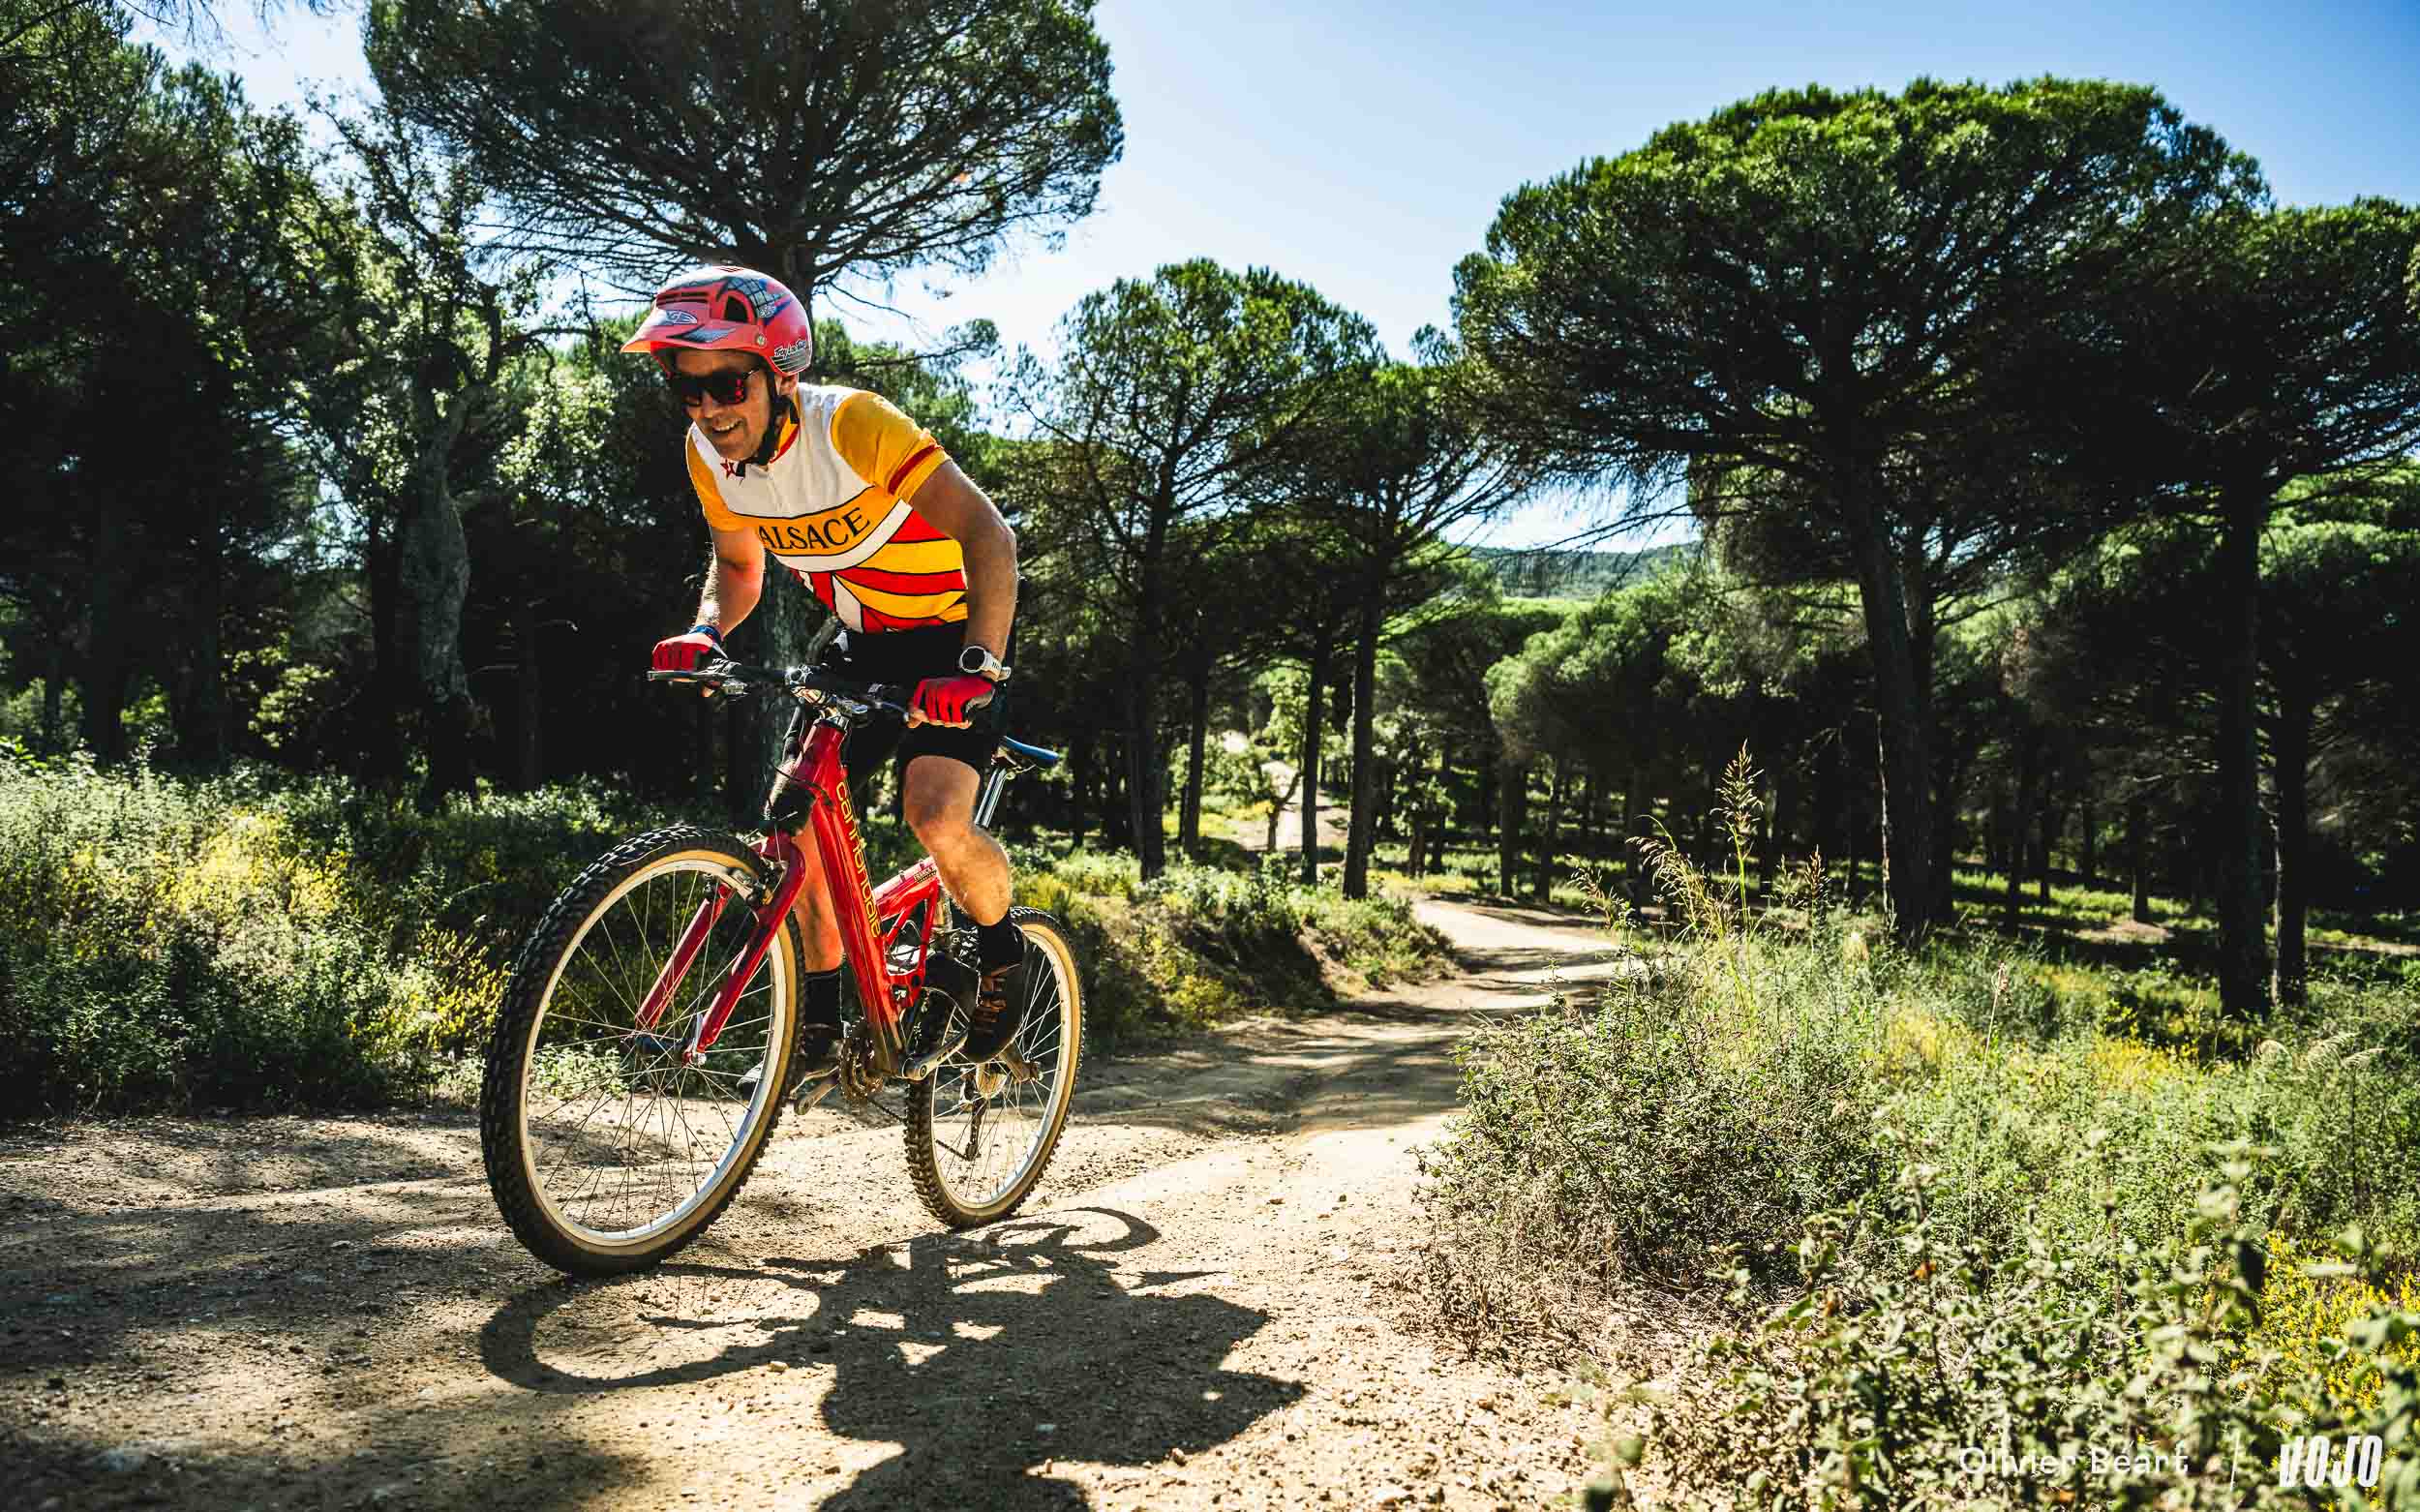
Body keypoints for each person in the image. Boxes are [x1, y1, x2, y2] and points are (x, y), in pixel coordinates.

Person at [626, 265, 1027, 1089]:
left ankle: (1002, 954)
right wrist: (707, 630)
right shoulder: (711, 455)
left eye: (726, 383)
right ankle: (815, 1021)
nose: (707, 408)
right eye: (686, 389)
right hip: (857, 642)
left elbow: (990, 538)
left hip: (954, 640)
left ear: (779, 370)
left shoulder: (852, 426)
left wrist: (979, 668)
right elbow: (738, 567)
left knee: (935, 815)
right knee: (795, 817)